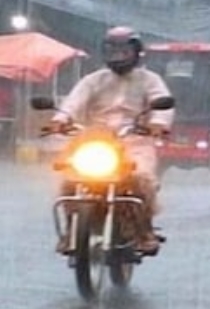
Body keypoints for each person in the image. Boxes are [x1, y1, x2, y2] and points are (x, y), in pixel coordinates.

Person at [51, 27, 174, 253]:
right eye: (112, 51)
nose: (118, 56)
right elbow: (73, 102)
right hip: (95, 140)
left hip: (135, 140)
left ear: (136, 53)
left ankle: (144, 231)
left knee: (142, 179)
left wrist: (158, 124)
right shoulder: (93, 80)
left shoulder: (150, 80)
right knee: (69, 180)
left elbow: (161, 103)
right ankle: (72, 230)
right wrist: (61, 119)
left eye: (123, 51)